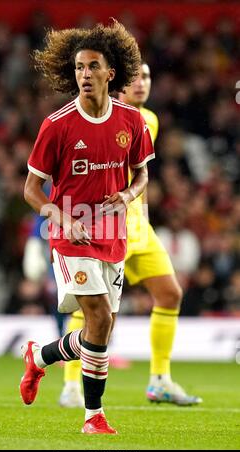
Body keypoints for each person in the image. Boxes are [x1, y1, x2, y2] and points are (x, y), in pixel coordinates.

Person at [20, 21, 154, 434]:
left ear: (110, 73)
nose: (84, 74)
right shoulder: (57, 125)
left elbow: (142, 177)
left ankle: (40, 356)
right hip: (69, 233)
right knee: (95, 316)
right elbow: (31, 190)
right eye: (79, 67)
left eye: (93, 66)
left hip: (113, 233)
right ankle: (93, 417)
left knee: (102, 328)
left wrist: (128, 197)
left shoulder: (131, 122)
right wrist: (59, 216)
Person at [59, 62, 202, 408]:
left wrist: (145, 215)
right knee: (93, 309)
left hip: (140, 226)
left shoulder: (149, 120)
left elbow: (142, 174)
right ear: (119, 83)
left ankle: (159, 380)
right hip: (109, 226)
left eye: (148, 77)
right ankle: (71, 385)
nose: (142, 83)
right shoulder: (107, 119)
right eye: (135, 77)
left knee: (170, 293)